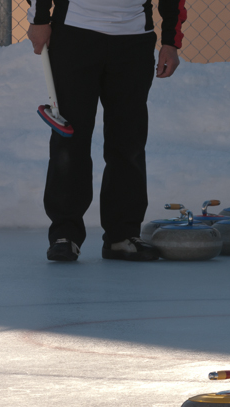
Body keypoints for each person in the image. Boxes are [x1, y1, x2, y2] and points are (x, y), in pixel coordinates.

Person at [26, 0, 187, 262]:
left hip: (134, 38)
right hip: (75, 32)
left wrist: (170, 40)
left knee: (129, 142)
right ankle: (64, 235)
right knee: (70, 140)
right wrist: (40, 18)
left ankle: (121, 236)